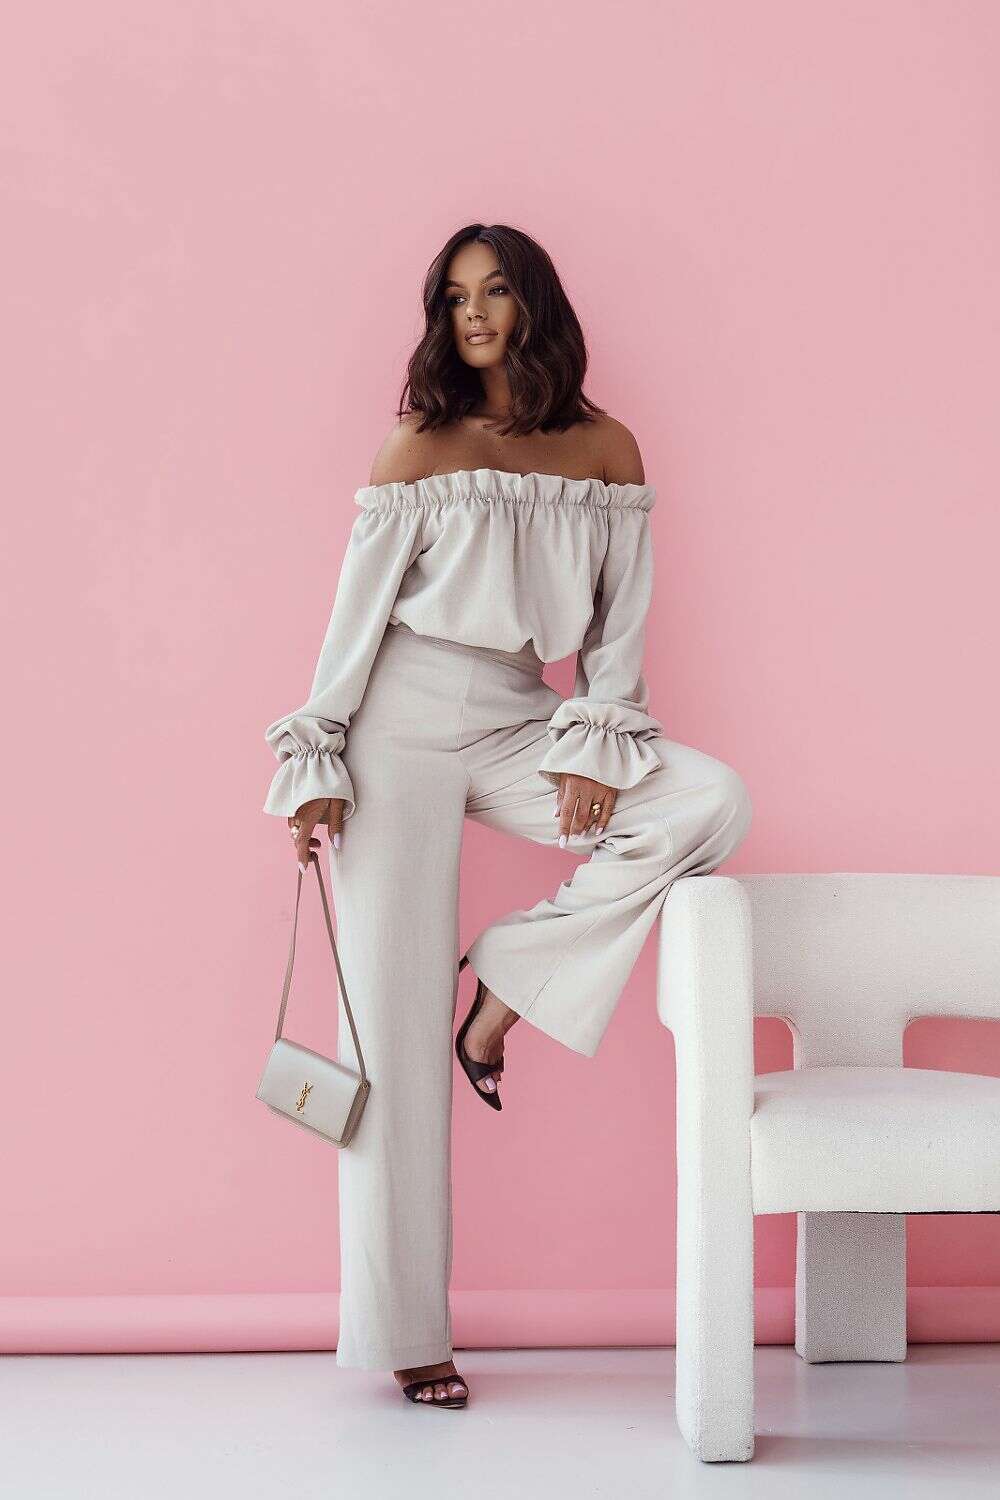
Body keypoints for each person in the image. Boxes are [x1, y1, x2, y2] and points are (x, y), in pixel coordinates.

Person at [262, 223, 752, 1410]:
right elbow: (354, 620)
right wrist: (317, 755)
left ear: (534, 304)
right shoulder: (418, 446)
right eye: (452, 296)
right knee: (386, 1034)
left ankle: (506, 985)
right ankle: (409, 1335)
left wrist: (598, 736)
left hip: (526, 714)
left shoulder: (605, 448)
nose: (471, 313)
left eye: (492, 292)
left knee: (706, 799)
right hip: (397, 719)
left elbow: (619, 627)